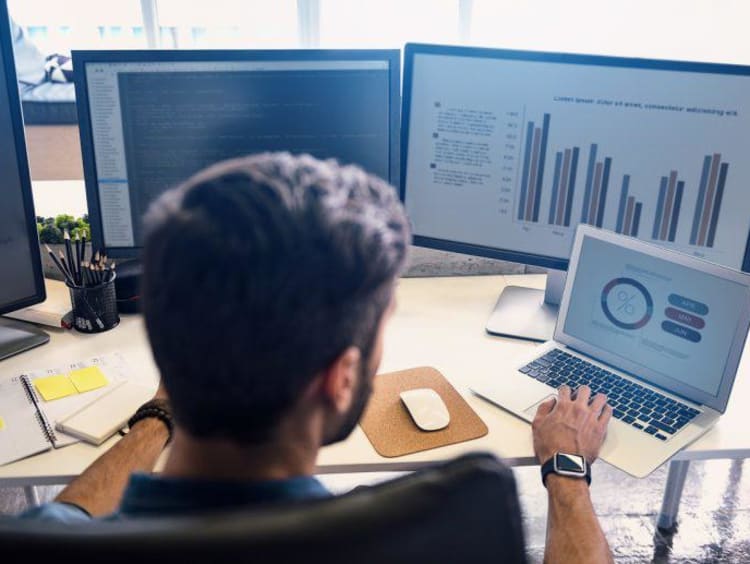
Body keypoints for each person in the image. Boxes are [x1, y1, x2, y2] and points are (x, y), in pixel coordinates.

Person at [19, 153, 613, 563]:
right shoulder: (427, 547)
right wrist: (566, 474)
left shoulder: (38, 540)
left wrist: (156, 418)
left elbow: (69, 522)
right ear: (342, 378)